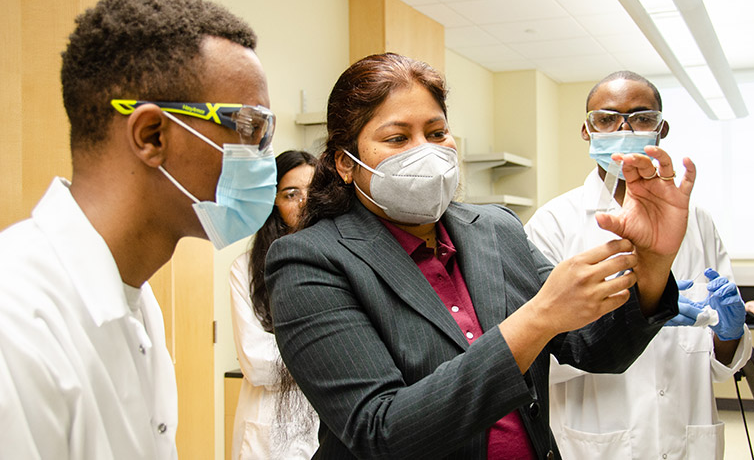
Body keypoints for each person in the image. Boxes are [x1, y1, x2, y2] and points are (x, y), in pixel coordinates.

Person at [265, 53, 696, 459]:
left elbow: (594, 350)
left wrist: (654, 261)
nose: (426, 151)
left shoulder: (495, 229)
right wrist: (538, 319)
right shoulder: (308, 261)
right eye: (398, 138)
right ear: (345, 162)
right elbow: (382, 433)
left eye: (437, 133)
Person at [0, 0, 276, 459]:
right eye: (250, 128)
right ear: (151, 135)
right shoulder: (17, 323)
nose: (263, 155)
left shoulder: (136, 300)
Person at [524, 70, 752, 460]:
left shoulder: (696, 221)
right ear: (586, 130)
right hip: (596, 440)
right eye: (606, 119)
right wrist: (624, 320)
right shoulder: (552, 224)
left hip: (686, 434)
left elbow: (721, 362)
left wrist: (729, 335)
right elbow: (534, 356)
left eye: (642, 118)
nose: (623, 129)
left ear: (661, 129)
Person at [229, 150, 320, 459]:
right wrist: (329, 353)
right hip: (267, 427)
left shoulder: (341, 260)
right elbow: (257, 363)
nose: (304, 202)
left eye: (313, 191)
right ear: (274, 203)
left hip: (327, 419)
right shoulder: (245, 268)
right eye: (290, 193)